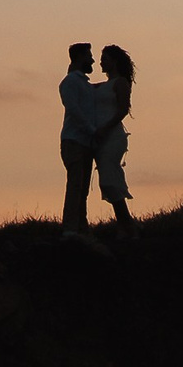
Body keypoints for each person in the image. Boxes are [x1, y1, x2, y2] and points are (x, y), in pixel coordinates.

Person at [86, 44, 136, 229]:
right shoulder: (101, 85)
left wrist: (106, 128)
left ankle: (127, 226)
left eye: (105, 58)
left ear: (114, 61)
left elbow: (123, 109)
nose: (101, 62)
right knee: (106, 181)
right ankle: (127, 225)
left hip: (112, 136)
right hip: (100, 136)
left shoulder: (120, 83)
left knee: (109, 178)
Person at [58, 42, 100, 232]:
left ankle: (80, 228)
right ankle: (70, 229)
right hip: (74, 141)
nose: (92, 60)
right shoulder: (70, 82)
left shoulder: (83, 84)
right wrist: (91, 129)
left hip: (84, 142)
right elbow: (73, 109)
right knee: (75, 186)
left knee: (82, 189)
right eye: (89, 55)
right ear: (80, 57)